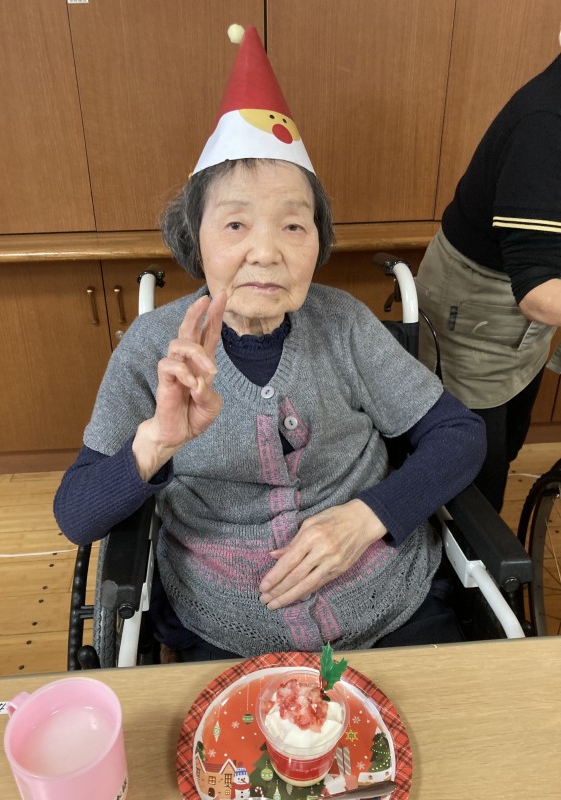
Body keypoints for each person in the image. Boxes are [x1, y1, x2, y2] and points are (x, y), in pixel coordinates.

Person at [54, 25, 486, 660]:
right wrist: (158, 442)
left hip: (385, 599)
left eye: (293, 225)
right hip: (227, 627)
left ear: (317, 241)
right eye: (235, 223)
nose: (266, 252)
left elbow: (459, 434)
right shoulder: (151, 348)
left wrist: (368, 516)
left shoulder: (344, 323)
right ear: (195, 239)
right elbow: (76, 515)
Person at [415, 33, 561, 512]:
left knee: (509, 437)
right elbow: (537, 291)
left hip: (530, 304)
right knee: (476, 472)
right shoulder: (545, 123)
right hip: (480, 304)